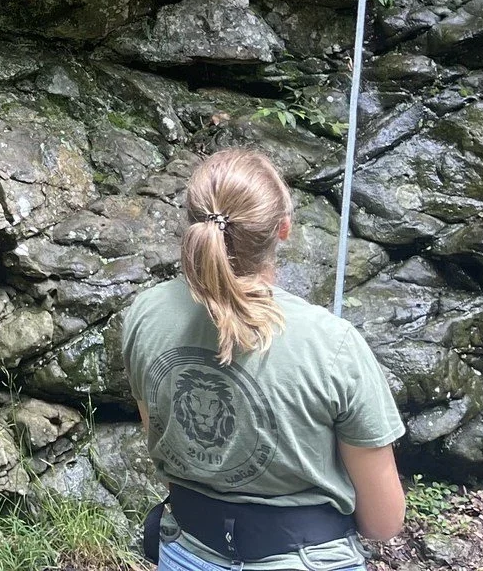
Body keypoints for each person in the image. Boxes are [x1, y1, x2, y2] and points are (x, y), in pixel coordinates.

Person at [123, 148, 407, 570]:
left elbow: (167, 447)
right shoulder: (333, 344)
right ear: (284, 229)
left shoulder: (144, 314)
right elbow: (383, 522)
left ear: (193, 224)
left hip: (187, 551)